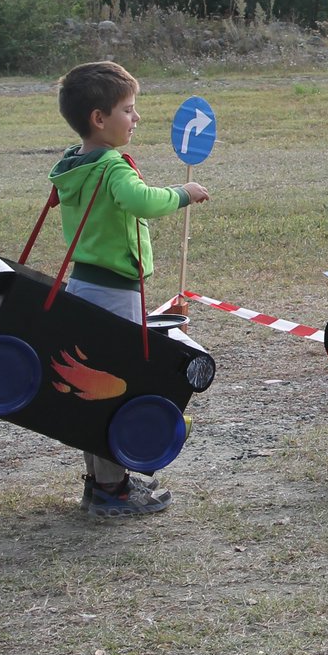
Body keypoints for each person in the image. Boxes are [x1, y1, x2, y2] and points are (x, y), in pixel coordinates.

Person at [51, 61, 211, 515]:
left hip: (83, 284)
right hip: (114, 291)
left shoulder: (75, 164)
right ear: (99, 119)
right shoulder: (112, 166)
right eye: (128, 109)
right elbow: (141, 199)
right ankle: (113, 491)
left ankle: (99, 482)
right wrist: (183, 192)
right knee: (115, 388)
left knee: (91, 388)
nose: (136, 118)